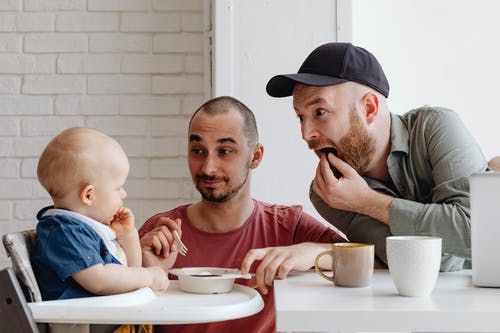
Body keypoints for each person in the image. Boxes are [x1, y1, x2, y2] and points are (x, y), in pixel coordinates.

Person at [266, 42, 487, 272]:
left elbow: (479, 231)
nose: (305, 134)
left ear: (369, 108)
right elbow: (425, 261)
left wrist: (366, 202)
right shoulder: (329, 193)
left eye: (320, 112)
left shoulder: (435, 127)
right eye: (301, 117)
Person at [139, 96, 346, 333]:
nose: (208, 167)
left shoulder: (290, 226)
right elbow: (100, 321)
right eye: (198, 151)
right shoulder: (157, 234)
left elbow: (370, 263)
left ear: (255, 156)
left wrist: (314, 252)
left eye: (225, 151)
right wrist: (144, 274)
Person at [31, 127, 169, 302]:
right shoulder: (64, 231)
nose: (124, 194)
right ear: (89, 195)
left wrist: (127, 235)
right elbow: (99, 281)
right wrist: (149, 276)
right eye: (118, 188)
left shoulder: (87, 228)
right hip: (79, 326)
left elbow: (131, 273)